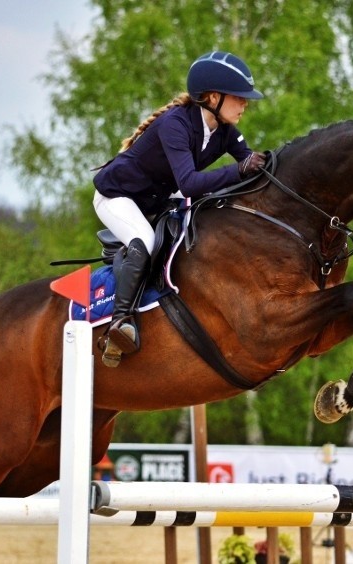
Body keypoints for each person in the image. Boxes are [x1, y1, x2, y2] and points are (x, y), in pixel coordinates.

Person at [93, 51, 266, 368]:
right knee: (144, 241)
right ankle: (120, 322)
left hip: (156, 200)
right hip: (117, 196)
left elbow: (250, 163)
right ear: (212, 97)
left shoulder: (225, 131)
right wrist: (239, 170)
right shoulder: (175, 125)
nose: (245, 105)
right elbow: (188, 183)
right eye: (239, 98)